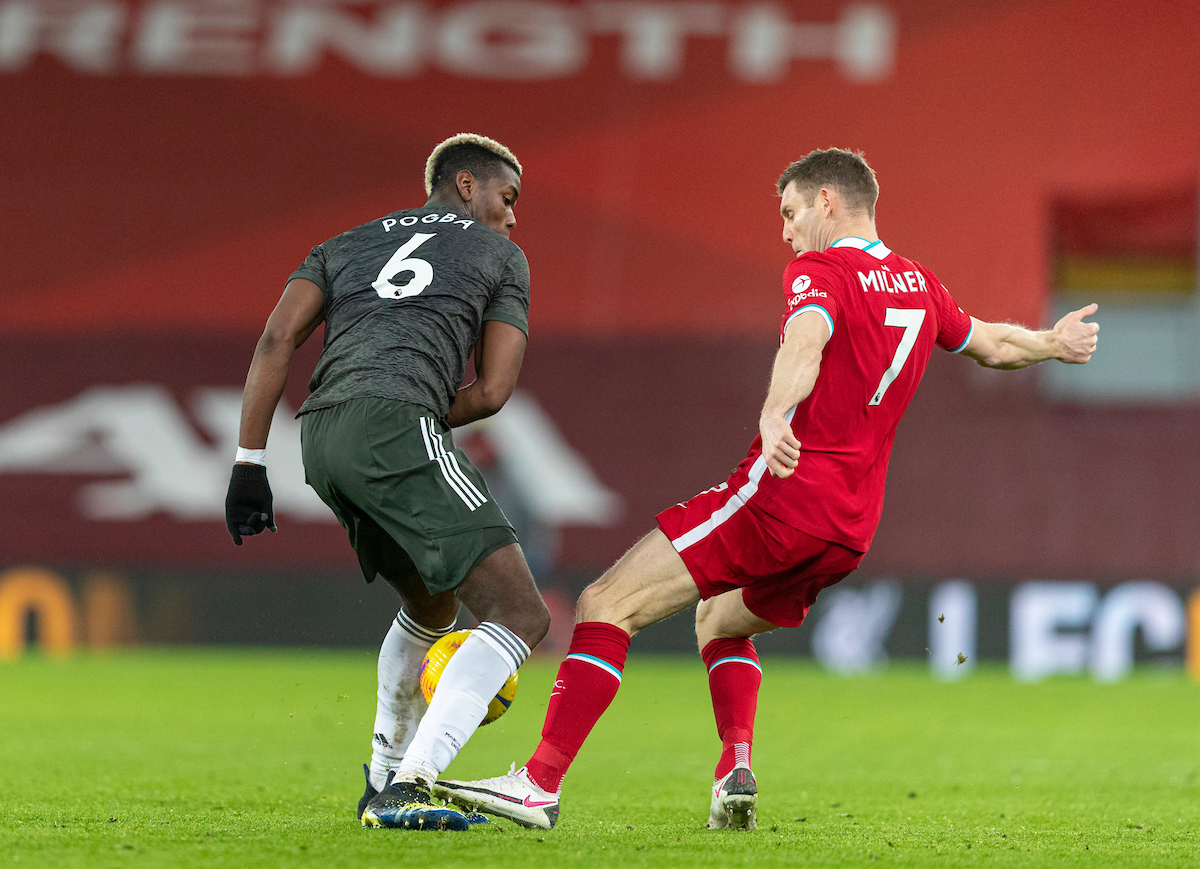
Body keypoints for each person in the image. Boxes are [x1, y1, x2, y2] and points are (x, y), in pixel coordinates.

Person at [432, 148, 1099, 832]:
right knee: (718, 618)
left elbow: (805, 344)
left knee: (607, 601)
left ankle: (537, 781)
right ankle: (735, 769)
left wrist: (776, 413)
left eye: (790, 212)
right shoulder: (920, 285)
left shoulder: (820, 270)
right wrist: (1053, 342)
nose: (785, 231)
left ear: (828, 203)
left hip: (784, 493)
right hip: (850, 528)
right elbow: (990, 343)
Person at [223, 133, 550, 832]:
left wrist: (249, 461)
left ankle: (379, 779)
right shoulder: (499, 255)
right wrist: (415, 418)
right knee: (521, 614)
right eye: (507, 197)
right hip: (397, 422)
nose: (513, 216)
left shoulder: (341, 244)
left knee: (433, 607)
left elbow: (277, 341)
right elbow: (492, 390)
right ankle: (412, 783)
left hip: (319, 434)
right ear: (466, 186)